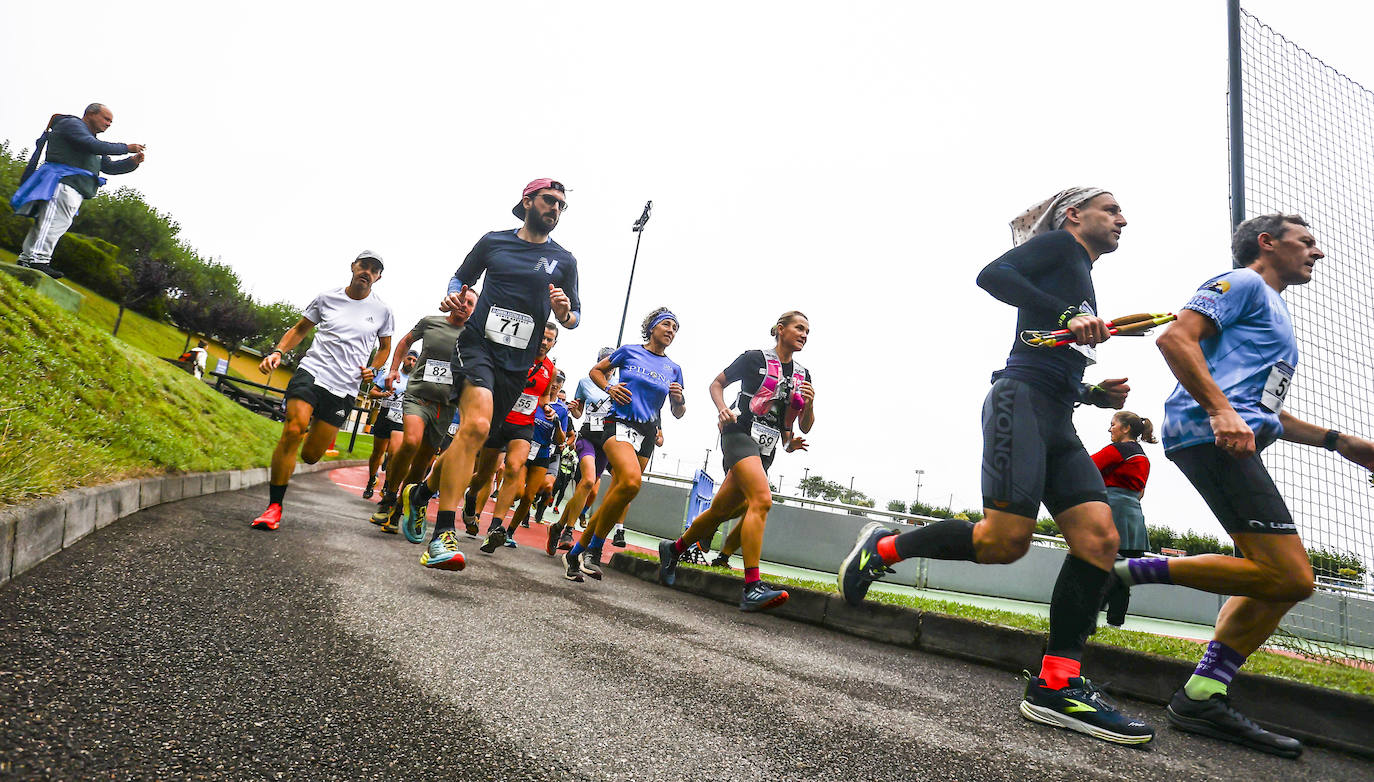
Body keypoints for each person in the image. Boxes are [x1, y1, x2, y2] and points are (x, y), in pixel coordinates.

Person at [837, 187, 1154, 745]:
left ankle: (1058, 684)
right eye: (1112, 209)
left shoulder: (1080, 272)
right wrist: (1066, 316)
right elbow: (992, 276)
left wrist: (1092, 395)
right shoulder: (1062, 246)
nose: (1123, 219)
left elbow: (1041, 347)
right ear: (1075, 216)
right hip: (1019, 404)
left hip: (1056, 415)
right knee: (1005, 541)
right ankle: (883, 549)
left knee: (1100, 539)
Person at [1113, 214, 1374, 757]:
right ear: (1267, 243)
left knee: (1271, 581)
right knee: (1292, 578)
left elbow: (1266, 412)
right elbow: (1175, 339)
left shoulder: (1277, 314)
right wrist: (1220, 409)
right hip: (1210, 435)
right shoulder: (1244, 282)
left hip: (1231, 437)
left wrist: (1338, 441)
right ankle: (1121, 573)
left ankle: (1203, 695)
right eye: (1306, 241)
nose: (1317, 253)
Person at [400, 179, 580, 572]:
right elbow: (459, 278)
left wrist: (563, 311)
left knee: (472, 438)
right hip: (478, 345)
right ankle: (442, 536)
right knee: (477, 425)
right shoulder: (494, 241)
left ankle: (420, 494)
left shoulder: (564, 260)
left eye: (562, 206)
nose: (555, 209)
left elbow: (575, 318)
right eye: (550, 201)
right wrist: (454, 294)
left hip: (519, 364)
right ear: (528, 201)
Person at [658, 311, 815, 611]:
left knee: (719, 511)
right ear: (780, 330)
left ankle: (673, 549)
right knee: (762, 500)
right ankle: (752, 586)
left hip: (765, 448)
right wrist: (722, 410)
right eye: (799, 328)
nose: (804, 334)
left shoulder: (803, 375)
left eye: (808, 331)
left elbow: (801, 425)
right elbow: (716, 384)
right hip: (738, 433)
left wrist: (806, 410)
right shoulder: (754, 358)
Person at [252, 251, 393, 530]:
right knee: (294, 430)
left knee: (311, 455)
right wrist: (279, 351)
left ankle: (302, 443)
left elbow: (386, 347)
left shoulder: (383, 311)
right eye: (363, 265)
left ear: (378, 277)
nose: (367, 271)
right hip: (313, 372)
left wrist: (373, 369)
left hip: (344, 387)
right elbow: (300, 328)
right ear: (353, 267)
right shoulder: (327, 297)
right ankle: (274, 507)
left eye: (373, 269)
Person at [562, 308, 685, 582]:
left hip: (647, 432)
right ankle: (594, 550)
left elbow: (679, 412)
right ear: (651, 327)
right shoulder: (629, 351)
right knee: (630, 483)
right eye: (666, 325)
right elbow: (595, 371)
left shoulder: (674, 369)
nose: (671, 331)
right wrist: (609, 388)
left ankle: (574, 554)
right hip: (618, 422)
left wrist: (678, 401)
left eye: (675, 328)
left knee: (619, 495)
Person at [380, 291, 478, 536]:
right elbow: (405, 342)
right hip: (418, 396)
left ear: (475, 310)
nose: (463, 306)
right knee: (410, 442)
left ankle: (401, 509)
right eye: (462, 300)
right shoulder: (430, 322)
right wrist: (393, 370)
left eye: (470, 304)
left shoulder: (473, 336)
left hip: (444, 408)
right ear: (452, 302)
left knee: (423, 462)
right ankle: (389, 495)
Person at [10, 104, 145, 279]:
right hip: (61, 182)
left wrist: (132, 162)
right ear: (90, 114)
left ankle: (27, 259)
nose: (109, 123)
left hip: (73, 187)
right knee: (52, 222)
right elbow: (91, 145)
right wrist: (126, 147)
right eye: (106, 119)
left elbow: (109, 167)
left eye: (111, 121)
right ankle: (37, 260)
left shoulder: (92, 141)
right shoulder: (72, 125)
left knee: (53, 223)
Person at [472, 323, 560, 553]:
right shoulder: (517, 353)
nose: (544, 342)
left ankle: (495, 528)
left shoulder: (549, 368)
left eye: (550, 340)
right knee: (484, 474)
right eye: (542, 337)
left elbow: (543, 397)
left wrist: (548, 408)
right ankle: (471, 498)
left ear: (554, 344)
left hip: (523, 426)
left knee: (514, 466)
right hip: (500, 419)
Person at [545, 347, 615, 556]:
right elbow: (578, 413)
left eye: (612, 364)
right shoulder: (586, 382)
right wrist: (575, 407)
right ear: (599, 362)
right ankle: (568, 531)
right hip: (587, 438)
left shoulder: (619, 386)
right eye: (605, 362)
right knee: (586, 481)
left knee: (588, 487)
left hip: (606, 443)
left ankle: (557, 526)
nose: (609, 368)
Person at [1090, 410, 1156, 626]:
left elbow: (1085, 468)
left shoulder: (1118, 450)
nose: (1110, 429)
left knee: (1095, 569)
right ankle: (1115, 623)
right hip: (1133, 517)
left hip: (1113, 512)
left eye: (1113, 424)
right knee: (1123, 575)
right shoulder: (1143, 458)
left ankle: (1085, 617)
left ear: (1126, 428)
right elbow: (1141, 493)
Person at [504, 371, 572, 544]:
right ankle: (498, 520)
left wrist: (557, 423)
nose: (556, 384)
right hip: (524, 447)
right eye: (554, 381)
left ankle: (509, 532)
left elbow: (561, 440)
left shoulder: (562, 410)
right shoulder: (534, 399)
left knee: (529, 496)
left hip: (543, 453)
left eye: (560, 382)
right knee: (519, 492)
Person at [363, 351, 415, 502]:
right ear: (403, 359)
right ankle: (371, 481)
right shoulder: (390, 375)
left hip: (401, 419)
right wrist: (383, 395)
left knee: (393, 454)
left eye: (414, 360)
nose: (411, 362)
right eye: (409, 359)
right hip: (385, 414)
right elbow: (372, 393)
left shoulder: (414, 381)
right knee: (377, 452)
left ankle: (387, 486)